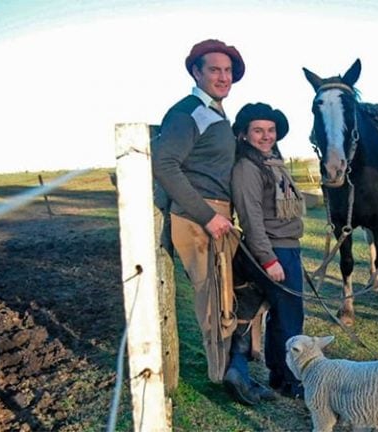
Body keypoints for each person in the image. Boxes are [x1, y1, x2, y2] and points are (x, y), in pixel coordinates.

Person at [152, 38, 271, 405]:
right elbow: (164, 164)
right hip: (199, 218)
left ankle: (237, 366)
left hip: (218, 215)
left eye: (228, 71)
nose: (223, 77)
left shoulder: (216, 114)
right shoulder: (189, 112)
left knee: (251, 286)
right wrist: (206, 216)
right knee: (215, 302)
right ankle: (228, 377)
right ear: (196, 72)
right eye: (214, 69)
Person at [231, 103, 306, 399]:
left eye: (271, 130)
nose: (266, 136)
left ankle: (279, 374)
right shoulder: (247, 168)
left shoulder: (273, 163)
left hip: (287, 247)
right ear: (245, 135)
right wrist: (269, 260)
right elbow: (251, 217)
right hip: (272, 250)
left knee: (285, 315)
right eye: (258, 130)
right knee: (289, 317)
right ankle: (290, 380)